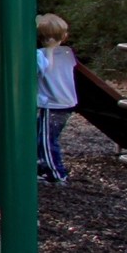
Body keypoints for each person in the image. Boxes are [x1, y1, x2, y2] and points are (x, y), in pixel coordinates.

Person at [36, 12, 77, 184]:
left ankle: (58, 174)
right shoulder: (68, 52)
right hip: (67, 102)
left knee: (47, 140)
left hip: (53, 104)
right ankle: (42, 167)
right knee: (41, 136)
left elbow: (46, 70)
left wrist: (49, 50)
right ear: (64, 36)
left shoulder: (40, 55)